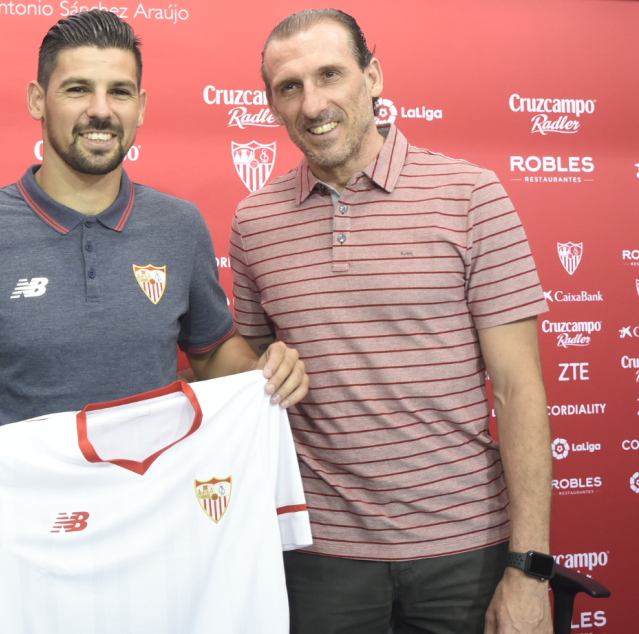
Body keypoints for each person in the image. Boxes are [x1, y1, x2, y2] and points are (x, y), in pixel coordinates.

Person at [230, 9, 553, 634]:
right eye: (288, 87)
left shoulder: (472, 196)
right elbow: (245, 368)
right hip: (317, 558)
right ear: (271, 104)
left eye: (331, 74)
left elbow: (519, 391)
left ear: (372, 76)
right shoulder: (254, 222)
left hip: (466, 550)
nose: (312, 102)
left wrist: (530, 567)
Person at [0, 9, 308, 429]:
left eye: (119, 92)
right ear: (37, 99)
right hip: (17, 499)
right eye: (78, 89)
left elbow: (212, 354)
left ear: (140, 106)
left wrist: (261, 369)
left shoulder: (180, 225)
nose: (100, 110)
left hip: (152, 495)